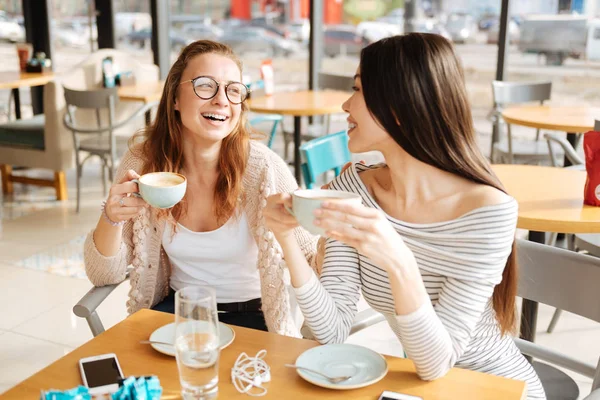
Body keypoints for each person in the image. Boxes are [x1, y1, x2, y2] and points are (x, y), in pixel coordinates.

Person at [264, 33, 545, 399]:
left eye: (359, 90)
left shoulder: (488, 211)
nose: (346, 105)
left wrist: (397, 260)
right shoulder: (354, 189)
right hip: (415, 386)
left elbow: (436, 362)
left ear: (399, 106)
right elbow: (330, 333)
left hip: (491, 385)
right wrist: (286, 237)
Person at [83, 40, 317, 335]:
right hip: (178, 313)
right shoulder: (144, 164)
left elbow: (312, 261)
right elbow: (103, 274)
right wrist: (111, 218)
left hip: (254, 317)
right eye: (206, 86)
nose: (222, 100)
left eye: (233, 90)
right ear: (175, 98)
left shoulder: (266, 170)